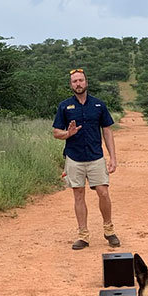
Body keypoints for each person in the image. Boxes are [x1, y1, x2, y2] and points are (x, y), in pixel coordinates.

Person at [52, 68, 120, 249]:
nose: (78, 84)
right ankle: (83, 235)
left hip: (96, 156)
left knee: (103, 192)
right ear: (71, 85)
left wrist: (112, 157)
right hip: (74, 158)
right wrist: (68, 133)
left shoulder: (98, 105)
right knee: (78, 195)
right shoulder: (64, 107)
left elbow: (107, 130)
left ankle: (109, 230)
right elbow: (56, 133)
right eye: (75, 81)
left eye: (81, 80)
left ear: (86, 82)